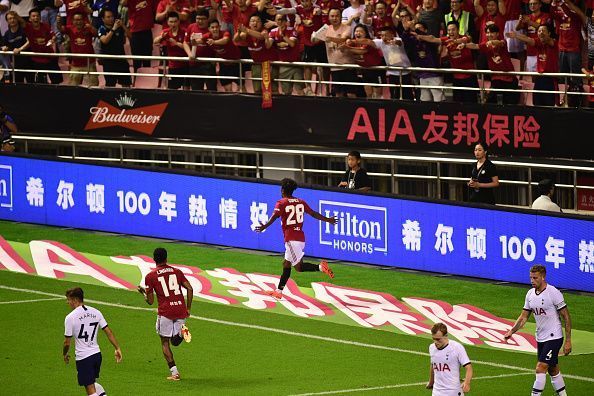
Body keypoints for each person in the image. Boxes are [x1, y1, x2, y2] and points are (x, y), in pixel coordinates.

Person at [254, 178, 337, 300]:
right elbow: (313, 213)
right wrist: (328, 220)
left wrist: (264, 226)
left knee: (298, 267)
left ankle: (320, 267)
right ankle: (279, 291)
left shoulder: (281, 203)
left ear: (282, 190)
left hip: (291, 239)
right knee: (286, 263)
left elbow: (275, 216)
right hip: (299, 237)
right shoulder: (301, 202)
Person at [504, 265, 572, 396]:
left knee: (540, 367)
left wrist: (568, 340)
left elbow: (566, 317)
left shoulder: (553, 293)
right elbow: (524, 317)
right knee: (552, 369)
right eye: (531, 277)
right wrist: (512, 331)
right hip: (541, 337)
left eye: (535, 278)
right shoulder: (530, 294)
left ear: (543, 277)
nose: (532, 280)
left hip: (554, 336)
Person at [138, 247, 193, 381]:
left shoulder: (150, 276)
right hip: (180, 309)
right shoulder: (177, 271)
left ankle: (175, 373)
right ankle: (180, 333)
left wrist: (144, 294)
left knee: (165, 342)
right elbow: (190, 288)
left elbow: (151, 301)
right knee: (175, 341)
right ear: (166, 258)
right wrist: (188, 308)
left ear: (154, 260)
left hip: (165, 312)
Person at [63, 287, 122, 396]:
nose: (68, 302)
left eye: (69, 299)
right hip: (96, 355)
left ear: (75, 299)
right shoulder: (96, 312)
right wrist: (117, 348)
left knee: (90, 389)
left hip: (84, 357)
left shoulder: (70, 318)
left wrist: (65, 353)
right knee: (92, 383)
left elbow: (67, 342)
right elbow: (108, 331)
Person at [426, 322, 473, 395]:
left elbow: (468, 367)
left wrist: (467, 383)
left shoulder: (456, 347)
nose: (436, 342)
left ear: (446, 336)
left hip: (453, 392)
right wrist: (431, 382)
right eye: (434, 339)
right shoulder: (431, 347)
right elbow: (433, 365)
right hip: (436, 392)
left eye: (438, 339)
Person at [98, 8, 132, 88]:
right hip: (109, 62)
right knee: (110, 86)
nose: (111, 18)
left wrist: (123, 25)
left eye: (112, 16)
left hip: (121, 60)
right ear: (103, 19)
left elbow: (130, 36)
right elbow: (105, 40)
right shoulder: (101, 29)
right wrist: (113, 29)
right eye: (108, 17)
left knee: (126, 85)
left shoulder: (120, 28)